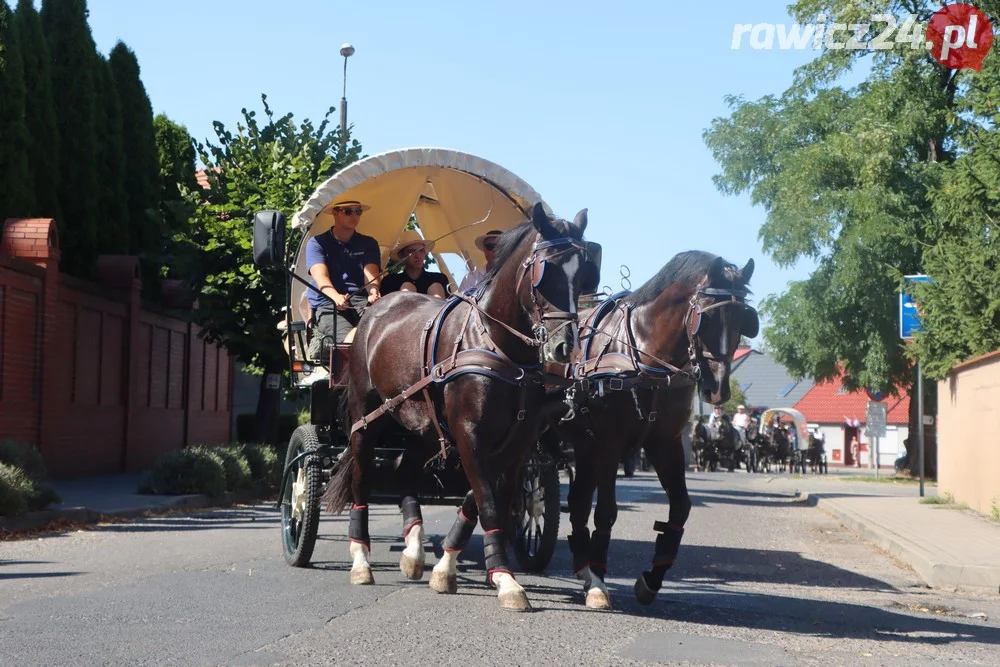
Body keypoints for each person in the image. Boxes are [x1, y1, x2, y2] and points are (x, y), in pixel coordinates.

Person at [305, 199, 381, 350]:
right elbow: (321, 278)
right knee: (351, 342)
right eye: (348, 211)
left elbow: (371, 275)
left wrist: (373, 292)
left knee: (384, 332)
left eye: (358, 211)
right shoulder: (317, 243)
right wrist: (335, 297)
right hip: (327, 303)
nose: (354, 215)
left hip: (360, 300)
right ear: (335, 213)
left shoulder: (369, 243)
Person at [381, 230, 449, 298]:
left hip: (437, 306)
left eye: (421, 250)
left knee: (436, 288)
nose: (418, 255)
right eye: (412, 251)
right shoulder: (390, 282)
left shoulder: (439, 279)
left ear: (425, 253)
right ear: (401, 255)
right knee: (407, 287)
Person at [457, 229, 502, 293]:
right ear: (484, 249)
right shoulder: (470, 279)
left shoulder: (518, 275)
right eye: (490, 246)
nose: (495, 249)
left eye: (500, 246)